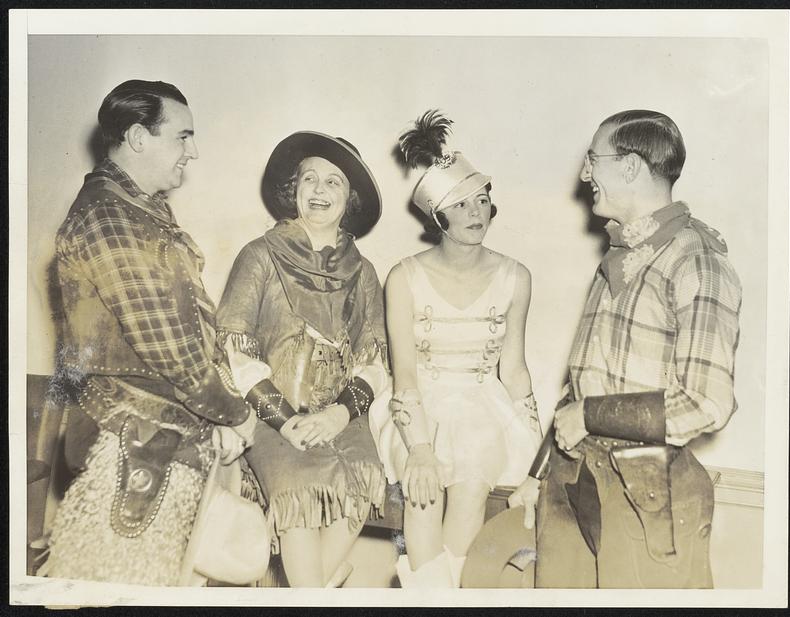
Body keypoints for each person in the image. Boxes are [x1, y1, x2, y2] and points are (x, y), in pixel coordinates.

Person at [510, 109, 742, 588]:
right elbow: (579, 389)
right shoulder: (618, 258)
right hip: (573, 488)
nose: (583, 174)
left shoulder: (697, 260)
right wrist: (535, 477)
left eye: (594, 160)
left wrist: (591, 416)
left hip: (648, 501)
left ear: (631, 166)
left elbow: (706, 403)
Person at [44, 80, 257, 585]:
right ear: (139, 137)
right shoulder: (112, 217)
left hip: (154, 433)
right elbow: (175, 351)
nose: (194, 151)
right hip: (129, 443)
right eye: (182, 137)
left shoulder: (140, 208)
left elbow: (191, 327)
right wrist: (237, 413)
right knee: (119, 581)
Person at [370, 110, 543, 588]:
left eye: (482, 201)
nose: (476, 214)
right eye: (462, 205)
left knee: (469, 485)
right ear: (438, 216)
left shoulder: (516, 276)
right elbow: (404, 373)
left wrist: (536, 441)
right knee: (423, 491)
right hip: (416, 405)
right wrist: (420, 450)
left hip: (481, 403)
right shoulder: (404, 277)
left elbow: (515, 368)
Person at [215, 131, 388, 588]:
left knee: (366, 478)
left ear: (349, 200)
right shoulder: (259, 256)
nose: (318, 190)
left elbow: (375, 360)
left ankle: (307, 591)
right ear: (293, 189)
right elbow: (234, 349)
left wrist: (338, 414)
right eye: (309, 178)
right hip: (272, 416)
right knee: (298, 496)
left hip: (340, 416)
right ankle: (317, 591)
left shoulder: (364, 272)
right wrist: (285, 420)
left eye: (334, 182)